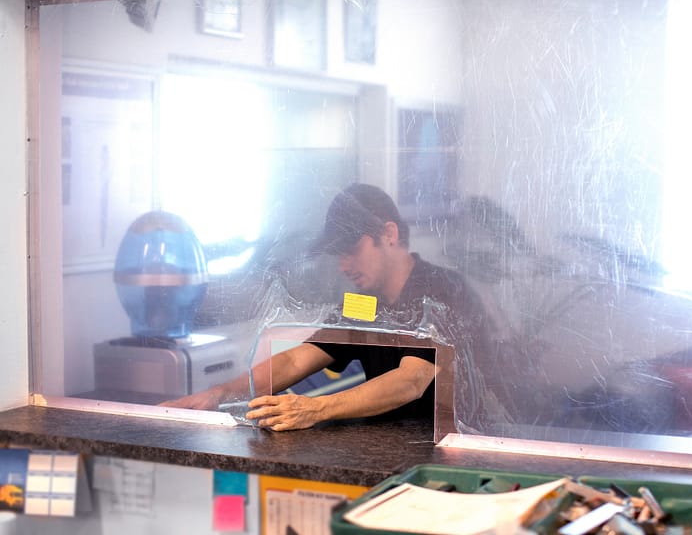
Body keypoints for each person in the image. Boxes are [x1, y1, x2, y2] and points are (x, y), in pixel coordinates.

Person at [162, 183, 489, 431]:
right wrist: (220, 393)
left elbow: (412, 379)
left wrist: (315, 409)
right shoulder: (364, 304)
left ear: (388, 234)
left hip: (457, 446)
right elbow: (296, 358)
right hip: (390, 444)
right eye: (338, 253)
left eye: (351, 248)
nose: (343, 265)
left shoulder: (443, 290)